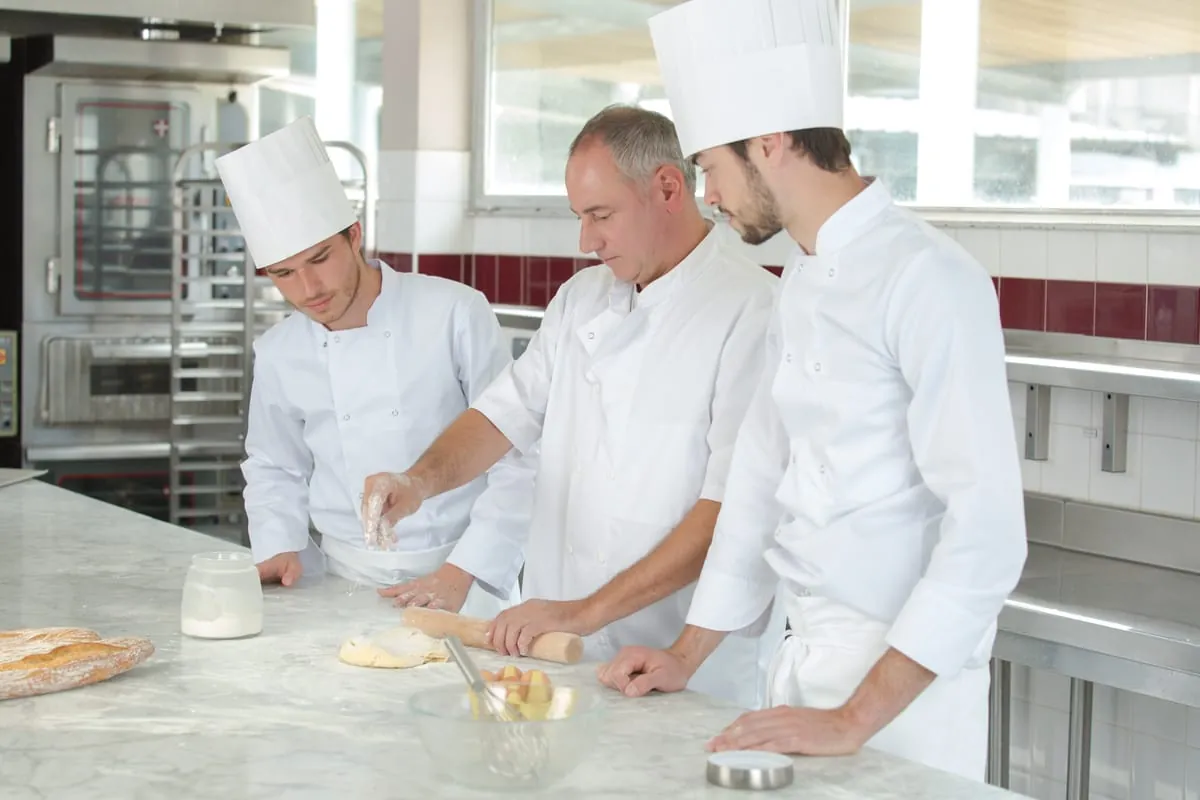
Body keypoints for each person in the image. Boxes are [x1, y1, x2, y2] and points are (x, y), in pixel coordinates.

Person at [597, 0, 1027, 781]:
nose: (708, 195)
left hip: (906, 694)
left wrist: (855, 718)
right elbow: (758, 479)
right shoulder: (798, 274)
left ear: (770, 143)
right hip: (804, 663)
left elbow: (989, 534)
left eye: (711, 169)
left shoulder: (930, 278)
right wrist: (687, 654)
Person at [361, 105, 785, 709]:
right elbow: (502, 415)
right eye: (579, 217)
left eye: (601, 215)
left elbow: (729, 509)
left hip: (681, 666)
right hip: (559, 649)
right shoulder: (580, 300)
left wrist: (584, 612)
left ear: (668, 187)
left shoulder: (754, 312)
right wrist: (418, 480)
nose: (587, 242)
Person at [216, 116, 532, 618]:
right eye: (283, 274)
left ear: (354, 235)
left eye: (319, 259)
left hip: (465, 583)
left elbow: (518, 453)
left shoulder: (454, 312)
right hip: (341, 584)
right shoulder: (279, 350)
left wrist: (466, 570)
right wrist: (278, 545)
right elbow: (275, 465)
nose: (308, 289)